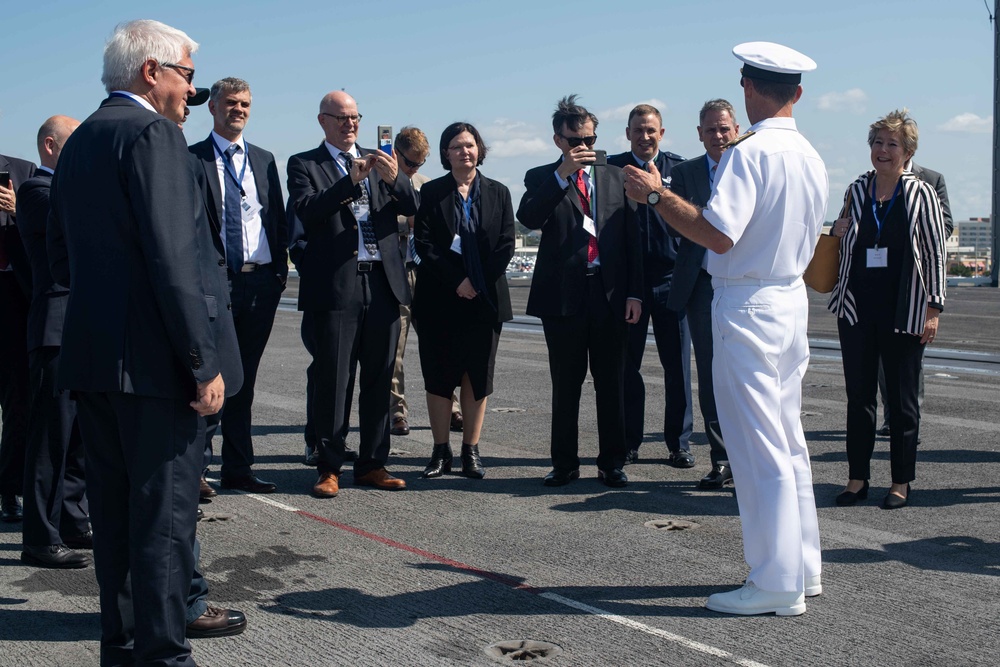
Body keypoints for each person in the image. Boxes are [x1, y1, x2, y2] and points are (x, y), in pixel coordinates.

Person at [46, 19, 230, 664]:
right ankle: (162, 656)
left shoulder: (82, 141)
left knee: (118, 525)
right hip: (154, 372)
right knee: (163, 524)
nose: (191, 91)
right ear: (152, 72)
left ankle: (122, 651)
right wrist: (201, 362)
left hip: (94, 361)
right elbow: (175, 261)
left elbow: (60, 260)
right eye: (186, 75)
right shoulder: (153, 133)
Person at [623, 42, 827, 616]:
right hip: (789, 299)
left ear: (748, 88)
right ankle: (802, 566)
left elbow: (718, 233)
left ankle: (776, 581)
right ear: (798, 93)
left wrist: (657, 194)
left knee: (757, 445)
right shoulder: (810, 154)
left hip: (748, 301)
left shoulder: (750, 153)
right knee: (788, 442)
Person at [287, 90, 417, 498]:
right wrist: (350, 181)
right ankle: (329, 467)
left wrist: (395, 178)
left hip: (382, 282)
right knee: (334, 379)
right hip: (337, 287)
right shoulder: (304, 163)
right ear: (323, 121)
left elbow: (412, 204)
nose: (350, 124)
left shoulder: (381, 162)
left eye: (355, 117)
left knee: (380, 378)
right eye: (341, 117)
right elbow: (308, 211)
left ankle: (373, 462)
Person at [518, 95, 642, 489]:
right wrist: (562, 175)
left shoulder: (617, 175)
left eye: (588, 139)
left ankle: (612, 463)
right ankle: (565, 464)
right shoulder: (541, 176)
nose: (584, 148)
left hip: (609, 295)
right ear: (559, 141)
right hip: (564, 298)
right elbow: (529, 217)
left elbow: (632, 239)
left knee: (612, 383)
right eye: (575, 142)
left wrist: (635, 294)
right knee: (566, 385)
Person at [829, 109, 946, 510]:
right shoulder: (856, 189)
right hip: (857, 306)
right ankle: (856, 478)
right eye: (877, 142)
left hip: (906, 308)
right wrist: (837, 229)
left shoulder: (921, 193)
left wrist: (934, 308)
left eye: (892, 144)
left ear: (907, 151)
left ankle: (900, 482)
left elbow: (934, 254)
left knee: (901, 402)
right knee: (859, 397)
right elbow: (842, 236)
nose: (882, 150)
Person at [189, 77, 288, 496]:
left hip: (260, 283)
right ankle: (195, 469)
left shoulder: (264, 159)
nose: (239, 109)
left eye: (245, 103)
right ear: (212, 107)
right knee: (210, 377)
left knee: (244, 379)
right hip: (217, 283)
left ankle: (238, 467)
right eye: (231, 102)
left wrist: (279, 274)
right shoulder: (190, 158)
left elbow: (277, 220)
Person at [412, 122, 515, 479]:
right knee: (439, 375)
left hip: (484, 299)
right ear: (445, 154)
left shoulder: (499, 192)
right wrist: (458, 280)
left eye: (470, 145)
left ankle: (471, 451)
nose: (464, 152)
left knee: (477, 375)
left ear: (479, 149)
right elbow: (424, 244)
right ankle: (440, 452)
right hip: (440, 296)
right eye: (456, 147)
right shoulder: (432, 193)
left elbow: (506, 244)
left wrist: (477, 281)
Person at [14, 115, 92, 568]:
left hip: (79, 327)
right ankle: (39, 538)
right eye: (73, 146)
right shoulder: (37, 191)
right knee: (50, 438)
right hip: (55, 329)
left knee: (79, 436)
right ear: (50, 146)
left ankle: (72, 518)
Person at [608, 105, 692, 468]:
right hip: (630, 285)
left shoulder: (680, 169)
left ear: (662, 133)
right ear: (627, 133)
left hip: (672, 281)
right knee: (628, 368)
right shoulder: (611, 169)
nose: (645, 137)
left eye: (651, 130)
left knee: (678, 369)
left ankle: (680, 443)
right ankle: (629, 442)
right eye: (638, 130)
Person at [666, 99, 740, 489]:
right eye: (710, 129)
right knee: (711, 374)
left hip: (744, 283)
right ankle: (722, 458)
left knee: (745, 373)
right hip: (701, 286)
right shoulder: (685, 173)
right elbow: (677, 225)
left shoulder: (751, 165)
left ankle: (752, 458)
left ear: (737, 128)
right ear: (699, 134)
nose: (718, 136)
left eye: (724, 128)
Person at [389, 126, 463, 437]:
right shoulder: (382, 182)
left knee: (441, 344)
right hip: (397, 271)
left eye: (420, 163)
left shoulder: (427, 185)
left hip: (427, 273)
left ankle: (453, 407)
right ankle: (396, 411)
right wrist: (409, 222)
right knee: (395, 349)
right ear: (396, 154)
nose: (415, 169)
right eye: (410, 163)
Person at [876, 158, 953, 435]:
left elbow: (945, 226)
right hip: (880, 278)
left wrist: (914, 238)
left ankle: (910, 419)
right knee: (883, 359)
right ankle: (890, 415)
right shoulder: (871, 182)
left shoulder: (931, 179)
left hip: (915, 279)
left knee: (910, 359)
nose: (885, 149)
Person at [0, 151, 36, 523]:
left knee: (19, 404)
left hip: (14, 299)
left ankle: (8, 489)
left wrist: (17, 210)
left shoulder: (23, 172)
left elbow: (50, 231)